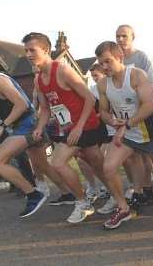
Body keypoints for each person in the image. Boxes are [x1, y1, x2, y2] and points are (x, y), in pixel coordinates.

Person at [95, 41, 153, 229]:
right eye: (100, 63)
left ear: (120, 57)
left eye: (108, 62)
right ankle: (123, 207)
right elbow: (103, 111)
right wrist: (112, 121)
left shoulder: (136, 75)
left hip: (146, 131)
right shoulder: (103, 84)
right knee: (108, 167)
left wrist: (125, 125)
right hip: (126, 133)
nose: (104, 67)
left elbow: (149, 106)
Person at [26, 32, 107, 224]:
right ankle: (116, 196)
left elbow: (89, 98)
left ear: (45, 50)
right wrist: (39, 127)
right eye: (26, 50)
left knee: (58, 162)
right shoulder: (38, 79)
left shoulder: (62, 70)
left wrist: (79, 127)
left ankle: (83, 202)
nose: (28, 54)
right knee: (96, 162)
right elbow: (46, 108)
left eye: (32, 50)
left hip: (85, 125)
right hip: (69, 127)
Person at [0, 50, 54, 218]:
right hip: (21, 126)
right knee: (43, 166)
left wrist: (2, 127)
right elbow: (1, 113)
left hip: (27, 124)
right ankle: (71, 194)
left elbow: (21, 104)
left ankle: (34, 194)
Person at [116, 24, 153, 202]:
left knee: (146, 155)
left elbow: (151, 85)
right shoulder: (115, 58)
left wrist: (142, 107)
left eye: (124, 36)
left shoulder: (141, 57)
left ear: (132, 37)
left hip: (143, 113)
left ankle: (149, 186)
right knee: (132, 155)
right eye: (118, 36)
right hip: (124, 114)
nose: (120, 39)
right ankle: (139, 188)